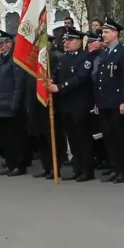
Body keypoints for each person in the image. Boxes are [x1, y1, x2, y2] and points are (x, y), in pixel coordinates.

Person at [49, 27, 96, 180]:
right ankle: (77, 168)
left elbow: (80, 78)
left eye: (70, 40)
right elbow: (55, 74)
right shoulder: (63, 58)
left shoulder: (85, 58)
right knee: (73, 139)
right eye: (65, 40)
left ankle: (87, 170)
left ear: (79, 41)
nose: (66, 43)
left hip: (80, 104)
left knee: (83, 138)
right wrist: (50, 81)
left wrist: (60, 87)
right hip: (66, 104)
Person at [93, 20, 124, 183]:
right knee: (108, 137)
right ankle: (115, 168)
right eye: (103, 32)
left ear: (116, 33)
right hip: (104, 102)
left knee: (120, 137)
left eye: (107, 32)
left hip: (117, 102)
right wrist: (97, 101)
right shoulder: (103, 53)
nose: (103, 35)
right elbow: (100, 80)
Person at [0, 35, 32, 175]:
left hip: (11, 105)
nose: (0, 47)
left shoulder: (15, 60)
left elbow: (18, 84)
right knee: (5, 138)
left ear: (10, 43)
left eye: (3, 44)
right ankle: (10, 163)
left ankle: (19, 165)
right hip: (0, 105)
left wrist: (15, 103)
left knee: (16, 137)